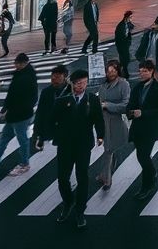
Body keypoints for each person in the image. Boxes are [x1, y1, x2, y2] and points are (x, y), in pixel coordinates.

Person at [51, 69, 104, 229]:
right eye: (78, 83)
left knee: (82, 177)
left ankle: (80, 210)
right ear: (72, 84)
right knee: (62, 178)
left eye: (84, 83)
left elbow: (98, 118)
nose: (81, 86)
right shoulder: (63, 100)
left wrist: (100, 135)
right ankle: (68, 201)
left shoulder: (92, 99)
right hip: (65, 145)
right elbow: (53, 119)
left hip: (83, 145)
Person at [0, 53, 37, 176]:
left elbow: (27, 98)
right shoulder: (21, 74)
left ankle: (24, 164)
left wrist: (8, 110)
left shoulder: (27, 78)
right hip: (14, 115)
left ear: (24, 63)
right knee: (5, 137)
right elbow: (12, 95)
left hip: (20, 116)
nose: (15, 65)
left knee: (22, 140)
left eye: (17, 63)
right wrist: (5, 109)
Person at [127, 60, 158, 201]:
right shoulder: (137, 87)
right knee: (141, 156)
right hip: (137, 128)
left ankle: (147, 185)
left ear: (151, 71)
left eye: (145, 71)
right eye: (140, 71)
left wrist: (143, 113)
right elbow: (130, 104)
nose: (142, 74)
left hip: (150, 128)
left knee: (143, 156)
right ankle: (152, 173)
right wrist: (130, 112)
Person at [97, 60, 131, 191]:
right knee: (109, 148)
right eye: (108, 71)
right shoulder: (103, 84)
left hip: (117, 120)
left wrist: (107, 105)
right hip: (104, 120)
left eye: (113, 71)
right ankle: (105, 175)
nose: (110, 73)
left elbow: (126, 105)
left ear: (118, 71)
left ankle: (106, 178)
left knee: (109, 149)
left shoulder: (124, 84)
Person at [32, 64, 71, 153]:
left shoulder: (72, 92)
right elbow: (40, 113)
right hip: (50, 129)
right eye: (52, 77)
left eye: (57, 77)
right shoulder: (46, 92)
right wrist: (37, 133)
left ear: (65, 77)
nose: (53, 79)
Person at [135, 16, 158, 84]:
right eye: (157, 24)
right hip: (146, 60)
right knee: (146, 78)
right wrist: (139, 56)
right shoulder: (148, 34)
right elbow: (142, 45)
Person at [114, 10, 135, 78]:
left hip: (126, 45)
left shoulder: (127, 23)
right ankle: (125, 74)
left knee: (125, 60)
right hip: (121, 45)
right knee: (125, 59)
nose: (131, 18)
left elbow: (132, 26)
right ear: (126, 17)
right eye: (130, 17)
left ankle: (119, 70)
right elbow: (119, 37)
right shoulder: (120, 26)